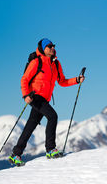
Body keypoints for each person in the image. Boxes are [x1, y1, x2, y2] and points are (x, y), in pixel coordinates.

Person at [9, 38, 85, 166]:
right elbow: (24, 80)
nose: (52, 48)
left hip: (45, 99)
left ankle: (16, 154)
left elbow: (62, 81)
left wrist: (77, 80)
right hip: (35, 97)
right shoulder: (37, 62)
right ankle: (50, 149)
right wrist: (26, 95)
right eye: (49, 46)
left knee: (30, 125)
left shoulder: (56, 64)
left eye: (53, 46)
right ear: (43, 48)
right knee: (52, 116)